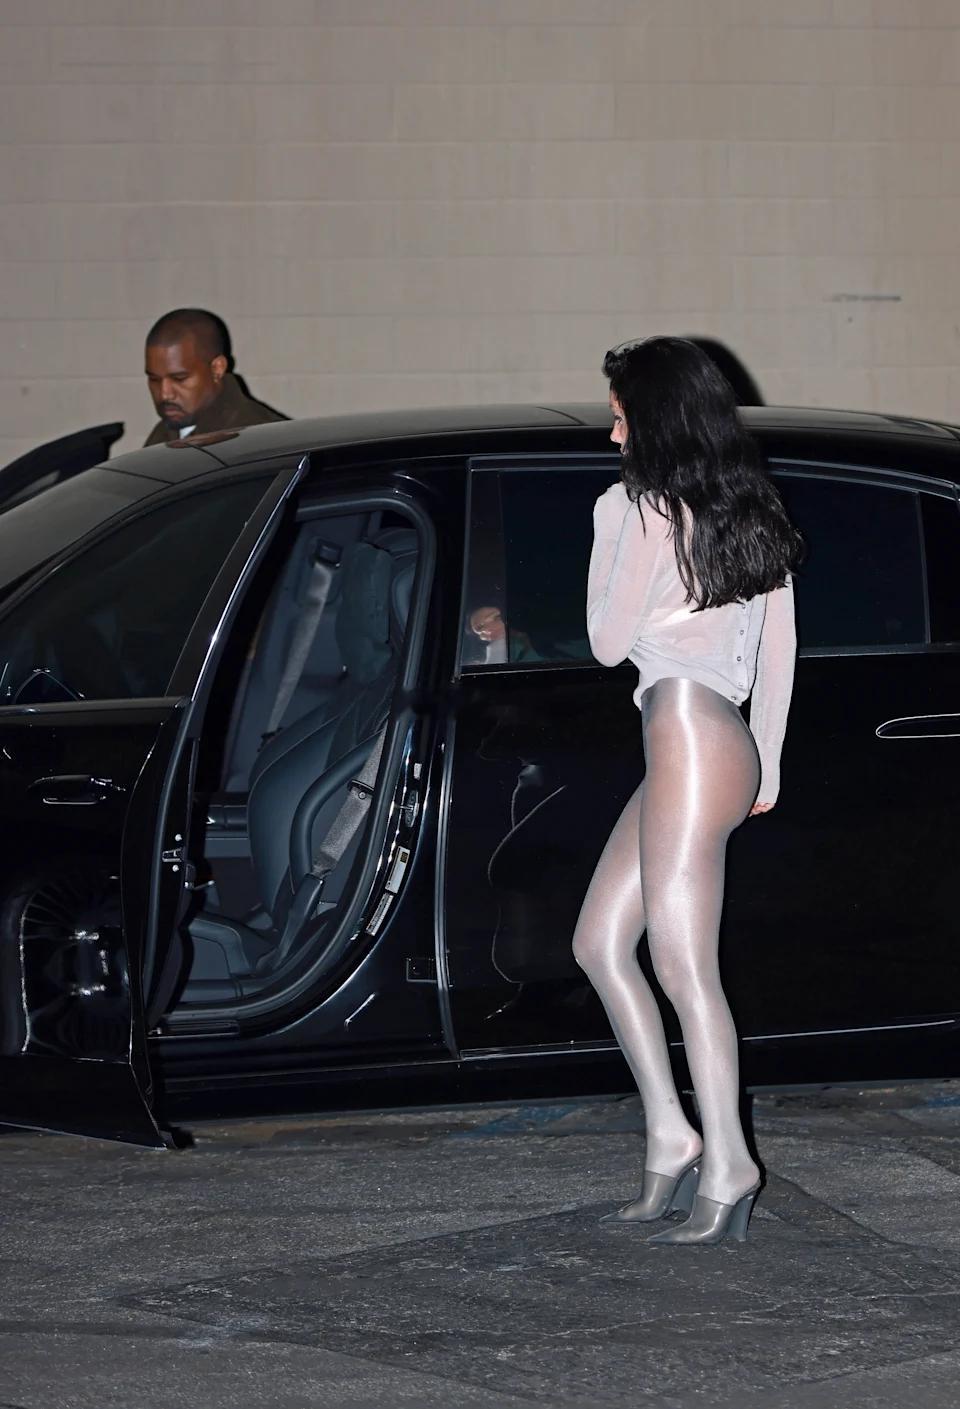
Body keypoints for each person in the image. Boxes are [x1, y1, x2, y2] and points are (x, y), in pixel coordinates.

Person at [573, 337, 802, 1246]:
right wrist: (766, 765)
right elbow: (777, 650)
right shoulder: (751, 509)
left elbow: (605, 642)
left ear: (657, 420)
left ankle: (730, 1160)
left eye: (622, 416)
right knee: (599, 942)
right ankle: (672, 1134)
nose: (613, 434)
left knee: (682, 967)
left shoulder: (634, 508)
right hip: (715, 740)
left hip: (684, 731)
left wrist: (617, 525)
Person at [143, 308, 286, 446]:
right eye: (154, 379)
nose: (165, 394)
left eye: (180, 378)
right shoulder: (164, 433)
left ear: (217, 368)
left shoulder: (264, 440)